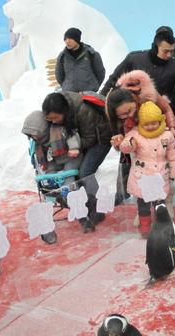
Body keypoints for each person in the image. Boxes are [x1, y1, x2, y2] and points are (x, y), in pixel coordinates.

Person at [42, 91, 110, 232]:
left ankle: (98, 209)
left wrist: (71, 146)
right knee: (77, 172)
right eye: (50, 120)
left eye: (56, 118)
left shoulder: (83, 110)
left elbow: (90, 138)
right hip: (80, 141)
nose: (53, 122)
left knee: (86, 172)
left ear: (64, 111)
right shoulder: (62, 110)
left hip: (101, 139)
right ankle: (87, 206)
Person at [112, 101, 175, 237]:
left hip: (160, 175)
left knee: (159, 204)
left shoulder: (167, 135)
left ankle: (160, 225)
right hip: (141, 176)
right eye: (146, 124)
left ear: (160, 120)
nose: (150, 126)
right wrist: (124, 143)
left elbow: (174, 156)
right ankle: (145, 226)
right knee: (143, 204)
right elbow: (126, 148)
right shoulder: (135, 134)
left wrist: (174, 174)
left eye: (153, 123)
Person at [21, 110, 81, 244]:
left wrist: (74, 147)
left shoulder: (59, 130)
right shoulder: (39, 143)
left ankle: (69, 195)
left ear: (41, 129)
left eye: (34, 134)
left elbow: (72, 137)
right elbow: (45, 160)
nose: (33, 138)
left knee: (69, 173)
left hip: (71, 157)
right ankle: (54, 194)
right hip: (55, 160)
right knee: (49, 175)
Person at [100, 30, 175, 115]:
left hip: (159, 116)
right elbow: (114, 80)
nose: (169, 55)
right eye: (166, 51)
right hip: (131, 113)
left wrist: (171, 107)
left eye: (172, 51)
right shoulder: (134, 59)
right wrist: (102, 100)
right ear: (156, 47)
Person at [55, 27, 106, 93]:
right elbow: (59, 75)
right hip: (70, 95)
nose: (67, 41)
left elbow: (100, 73)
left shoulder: (92, 54)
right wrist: (67, 86)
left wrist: (94, 87)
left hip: (89, 95)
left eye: (70, 38)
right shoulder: (62, 56)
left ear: (77, 39)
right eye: (65, 39)